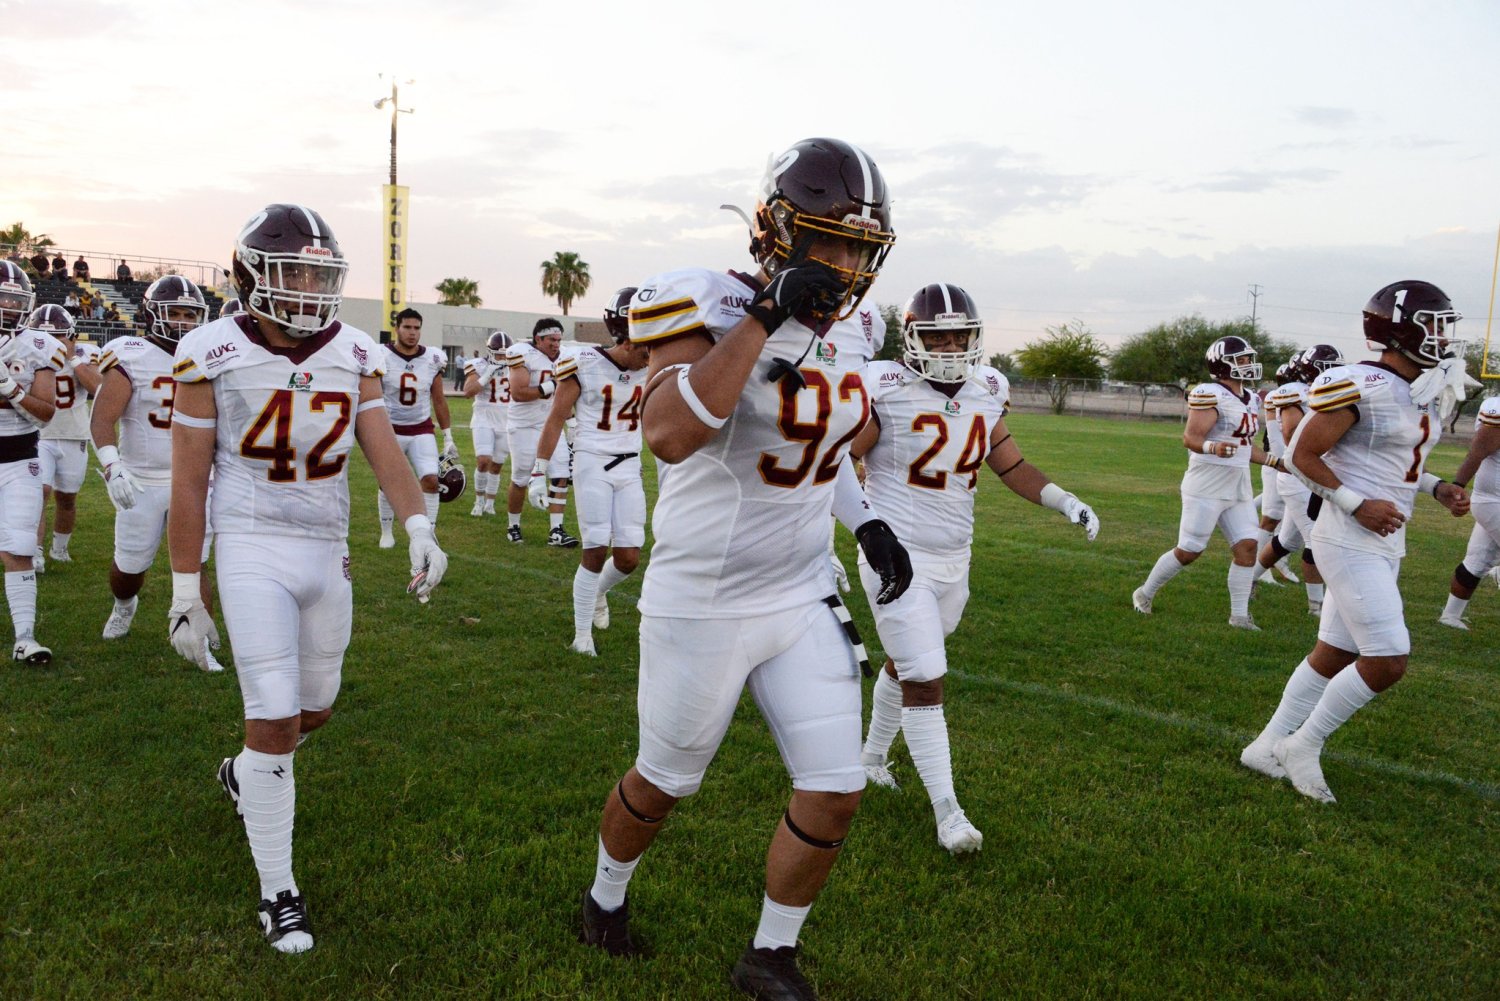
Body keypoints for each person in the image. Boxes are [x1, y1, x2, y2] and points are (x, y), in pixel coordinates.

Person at [577, 137, 912, 1001]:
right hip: (704, 598)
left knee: (836, 789)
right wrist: (765, 315)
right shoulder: (708, 300)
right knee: (665, 780)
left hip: (800, 588)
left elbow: (824, 448)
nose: (843, 263)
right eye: (826, 239)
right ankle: (602, 897)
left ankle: (771, 954)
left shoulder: (862, 328)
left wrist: (868, 526)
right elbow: (669, 434)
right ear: (774, 229)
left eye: (858, 247)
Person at [168, 204, 447, 953]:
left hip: (327, 547)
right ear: (250, 275)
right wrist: (186, 589)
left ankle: (241, 773)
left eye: (318, 275)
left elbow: (383, 449)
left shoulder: (357, 352)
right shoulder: (208, 350)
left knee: (311, 715)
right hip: (252, 542)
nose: (304, 288)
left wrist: (418, 523)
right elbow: (189, 483)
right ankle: (278, 890)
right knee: (274, 715)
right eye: (291, 271)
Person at [851, 283, 1100, 855]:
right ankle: (948, 811)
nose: (949, 344)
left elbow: (1011, 464)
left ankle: (870, 759)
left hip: (954, 557)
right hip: (896, 554)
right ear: (913, 337)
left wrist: (1065, 500)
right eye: (937, 333)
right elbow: (842, 457)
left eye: (959, 333)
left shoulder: (988, 389)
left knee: (906, 662)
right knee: (926, 676)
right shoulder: (885, 387)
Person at [1241, 280, 1471, 803]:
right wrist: (1355, 505)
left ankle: (1264, 746)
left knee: (1334, 652)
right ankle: (1304, 744)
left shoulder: (1416, 389)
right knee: (1388, 658)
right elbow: (1303, 456)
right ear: (1400, 327)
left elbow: (1393, 467)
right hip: (1348, 536)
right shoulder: (1358, 382)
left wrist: (1438, 488)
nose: (1443, 336)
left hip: (1382, 537)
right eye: (1435, 324)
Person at [91, 275, 224, 671]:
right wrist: (113, 467)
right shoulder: (129, 354)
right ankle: (123, 605)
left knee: (197, 562)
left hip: (197, 478)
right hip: (142, 480)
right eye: (176, 313)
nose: (183, 322)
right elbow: (101, 420)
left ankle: (199, 633)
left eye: (190, 314)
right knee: (129, 570)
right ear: (152, 314)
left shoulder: (210, 355)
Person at [1132, 335, 1285, 630]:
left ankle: (1239, 616)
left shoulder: (1251, 398)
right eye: (1241, 359)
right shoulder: (1208, 393)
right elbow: (1191, 438)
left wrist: (1275, 462)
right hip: (1206, 484)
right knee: (1190, 550)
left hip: (1238, 484)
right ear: (1222, 365)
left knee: (1248, 548)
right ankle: (1144, 592)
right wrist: (1212, 447)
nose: (1248, 365)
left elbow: (1243, 445)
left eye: (1248, 359)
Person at [531, 287, 649, 655]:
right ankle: (582, 637)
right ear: (628, 341)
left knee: (629, 558)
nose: (652, 355)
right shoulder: (582, 361)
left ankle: (597, 593)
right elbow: (555, 419)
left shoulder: (653, 362)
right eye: (646, 347)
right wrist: (538, 471)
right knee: (595, 550)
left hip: (630, 463)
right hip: (592, 460)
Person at [0, 261, 61, 663]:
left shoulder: (36, 345)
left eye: (14, 299)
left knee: (20, 544)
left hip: (19, 456)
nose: (7, 305)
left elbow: (45, 413)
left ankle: (25, 636)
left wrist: (10, 390)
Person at [1255, 345, 1344, 616]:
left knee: (1286, 542)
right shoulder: (1295, 392)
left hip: (1311, 473)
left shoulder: (1325, 393)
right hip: (1297, 476)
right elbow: (1291, 434)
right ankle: (1316, 607)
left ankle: (1248, 578)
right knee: (1316, 541)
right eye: (1331, 366)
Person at [374, 307, 455, 548]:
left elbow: (438, 399)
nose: (412, 333)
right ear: (397, 328)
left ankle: (428, 535)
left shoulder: (432, 358)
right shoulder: (381, 355)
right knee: (387, 483)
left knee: (430, 480)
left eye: (416, 328)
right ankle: (386, 531)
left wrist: (448, 436)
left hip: (421, 429)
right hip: (391, 429)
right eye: (407, 327)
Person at [29, 305, 101, 570]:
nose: (49, 343)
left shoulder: (86, 353)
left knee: (67, 498)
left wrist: (73, 360)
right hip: (39, 434)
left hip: (73, 434)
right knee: (40, 492)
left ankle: (59, 549)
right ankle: (34, 550)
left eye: (57, 336)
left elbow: (98, 388)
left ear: (70, 336)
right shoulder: (26, 352)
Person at [505, 318, 577, 546]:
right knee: (520, 478)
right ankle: (513, 525)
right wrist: (552, 386)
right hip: (523, 425)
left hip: (551, 423)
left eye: (558, 339)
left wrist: (572, 423)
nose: (556, 344)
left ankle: (556, 530)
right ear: (538, 339)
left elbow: (564, 398)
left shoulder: (566, 355)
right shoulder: (522, 353)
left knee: (561, 474)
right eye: (551, 340)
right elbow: (518, 393)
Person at [1438, 394, 1500, 629]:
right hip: (1494, 500)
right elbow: (1477, 451)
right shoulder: (1497, 410)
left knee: (1477, 560)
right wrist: (1459, 486)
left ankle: (1450, 615)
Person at [462, 331, 511, 517]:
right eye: (499, 354)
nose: (502, 358)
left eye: (505, 354)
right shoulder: (479, 365)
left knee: (497, 465)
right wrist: (487, 375)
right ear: (490, 351)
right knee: (483, 461)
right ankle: (478, 500)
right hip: (483, 415)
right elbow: (468, 392)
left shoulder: (517, 366)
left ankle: (490, 503)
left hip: (506, 418)